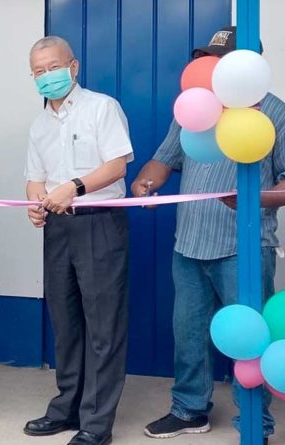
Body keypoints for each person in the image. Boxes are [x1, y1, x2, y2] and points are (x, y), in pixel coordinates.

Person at [133, 26, 285, 444]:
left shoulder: (274, 112)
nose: (213, 67)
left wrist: (255, 198)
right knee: (189, 334)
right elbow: (160, 162)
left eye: (223, 59)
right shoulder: (193, 109)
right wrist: (144, 184)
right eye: (209, 58)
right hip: (189, 245)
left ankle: (257, 425)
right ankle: (188, 409)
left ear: (250, 63)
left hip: (245, 248)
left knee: (248, 340)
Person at [22, 36, 133, 445]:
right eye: (38, 71)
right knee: (65, 321)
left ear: (74, 66)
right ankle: (67, 406)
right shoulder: (39, 124)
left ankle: (96, 424)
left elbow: (118, 164)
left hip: (99, 222)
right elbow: (35, 178)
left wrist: (75, 187)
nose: (46, 76)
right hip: (58, 227)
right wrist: (36, 202)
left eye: (52, 67)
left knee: (103, 325)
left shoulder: (101, 108)